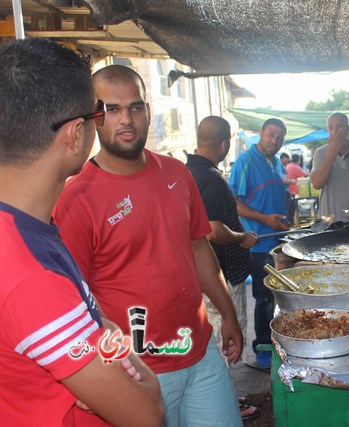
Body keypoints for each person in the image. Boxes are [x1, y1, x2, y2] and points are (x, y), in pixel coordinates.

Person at [54, 65, 243, 426]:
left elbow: (199, 250)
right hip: (138, 371)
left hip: (200, 354)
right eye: (112, 109)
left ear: (148, 111)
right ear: (94, 117)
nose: (126, 119)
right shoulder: (76, 199)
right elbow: (73, 301)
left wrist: (229, 314)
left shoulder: (177, 173)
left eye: (136, 107)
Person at [0, 39, 162, 426]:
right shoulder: (31, 277)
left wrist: (99, 337)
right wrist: (111, 340)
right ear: (75, 135)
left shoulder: (28, 228)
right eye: (99, 114)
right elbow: (146, 409)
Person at [185, 116, 260, 421]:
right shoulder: (212, 179)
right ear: (224, 144)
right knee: (225, 339)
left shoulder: (189, 171)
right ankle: (226, 403)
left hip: (202, 275)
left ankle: (225, 396)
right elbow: (213, 230)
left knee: (216, 340)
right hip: (220, 275)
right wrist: (242, 237)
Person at [229, 118, 289, 370]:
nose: (274, 141)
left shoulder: (276, 163)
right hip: (258, 242)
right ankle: (262, 347)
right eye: (271, 134)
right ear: (261, 133)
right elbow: (234, 202)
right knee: (263, 298)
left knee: (280, 297)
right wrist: (265, 219)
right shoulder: (245, 161)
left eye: (279, 138)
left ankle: (277, 342)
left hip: (278, 241)